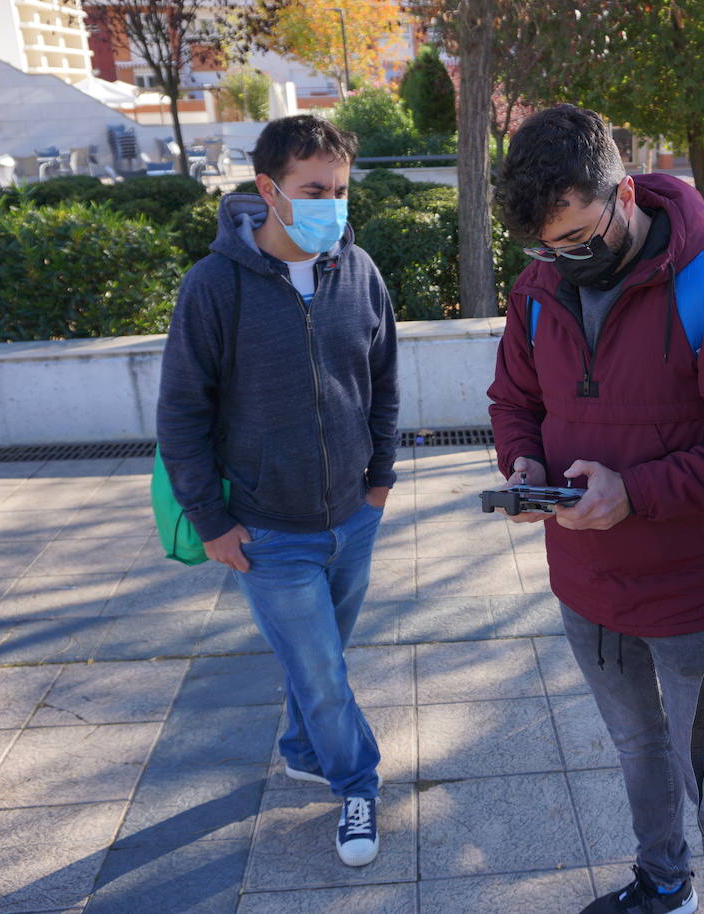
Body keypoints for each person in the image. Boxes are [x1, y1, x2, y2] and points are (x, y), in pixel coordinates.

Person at [488, 104, 704, 914]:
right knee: (634, 746)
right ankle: (662, 880)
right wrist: (522, 463)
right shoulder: (536, 287)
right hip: (585, 589)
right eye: (546, 247)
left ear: (626, 193)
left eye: (580, 239)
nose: (564, 260)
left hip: (693, 594)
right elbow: (512, 399)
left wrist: (636, 493)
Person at [156, 114, 398, 868]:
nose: (332, 203)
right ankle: (357, 784)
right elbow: (181, 414)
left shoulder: (357, 272)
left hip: (351, 519)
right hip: (267, 532)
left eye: (340, 189)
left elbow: (383, 381)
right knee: (323, 668)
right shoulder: (214, 286)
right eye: (314, 189)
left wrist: (380, 480)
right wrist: (213, 522)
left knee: (320, 658)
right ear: (269, 190)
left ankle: (300, 746)